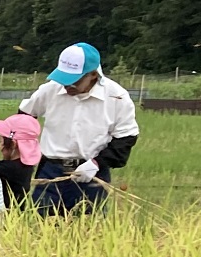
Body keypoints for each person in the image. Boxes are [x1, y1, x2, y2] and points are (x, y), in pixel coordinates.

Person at [18, 43, 139, 217]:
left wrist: (97, 163)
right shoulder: (50, 89)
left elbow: (126, 138)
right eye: (63, 79)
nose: (67, 86)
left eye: (74, 81)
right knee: (41, 228)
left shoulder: (117, 97)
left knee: (88, 232)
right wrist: (28, 152)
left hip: (92, 175)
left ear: (93, 75)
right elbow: (24, 117)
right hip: (51, 173)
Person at [0, 113, 40, 209]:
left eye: (0, 141)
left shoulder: (7, 170)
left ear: (13, 144)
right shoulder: (24, 167)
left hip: (4, 217)